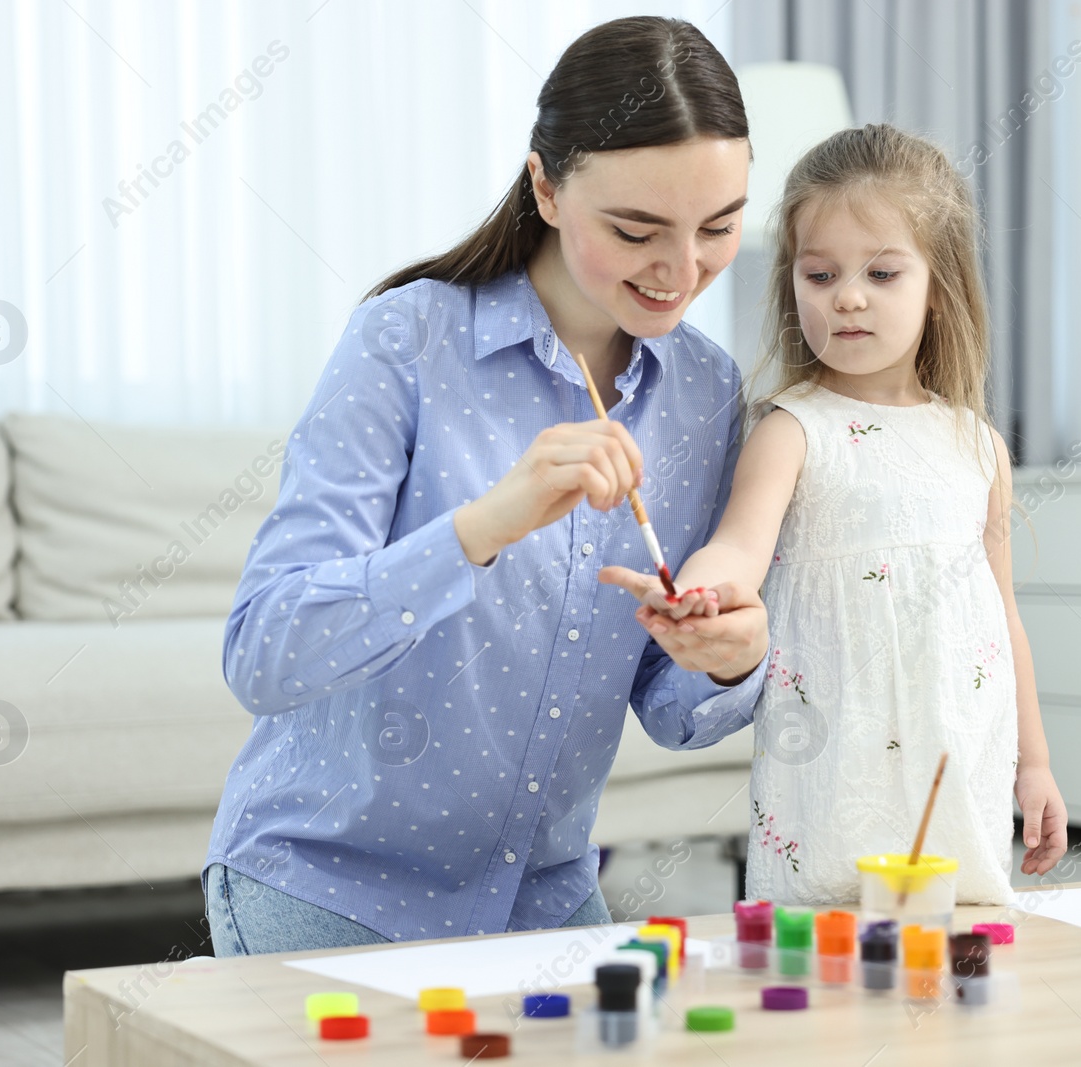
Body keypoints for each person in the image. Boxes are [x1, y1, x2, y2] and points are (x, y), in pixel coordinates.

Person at [201, 15, 769, 955]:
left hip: (543, 899)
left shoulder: (707, 394)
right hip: (330, 883)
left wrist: (732, 653)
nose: (681, 271)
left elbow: (671, 709)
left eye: (719, 227)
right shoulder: (405, 339)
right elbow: (264, 653)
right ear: (546, 186)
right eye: (636, 230)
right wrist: (481, 525)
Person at [635, 124, 1068, 907]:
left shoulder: (978, 445)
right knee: (828, 948)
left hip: (958, 750)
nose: (849, 296)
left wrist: (1034, 763)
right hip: (836, 758)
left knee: (959, 940)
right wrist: (701, 593)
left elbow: (1005, 614)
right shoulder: (792, 428)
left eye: (882, 271)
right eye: (821, 273)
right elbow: (737, 546)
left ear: (940, 286)